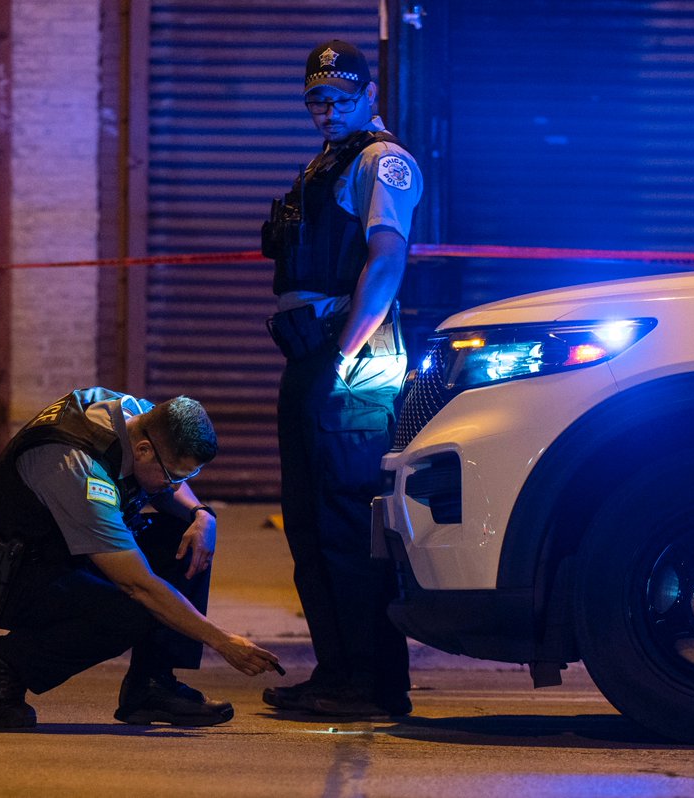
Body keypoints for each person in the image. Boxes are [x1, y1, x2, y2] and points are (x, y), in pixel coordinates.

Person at [0, 387, 281, 728]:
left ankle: (151, 688)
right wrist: (222, 641)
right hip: (10, 579)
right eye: (175, 476)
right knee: (133, 611)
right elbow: (138, 585)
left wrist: (201, 514)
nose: (174, 485)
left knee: (182, 537)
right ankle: (4, 665)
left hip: (61, 552)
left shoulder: (138, 416)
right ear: (144, 450)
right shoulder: (78, 468)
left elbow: (169, 487)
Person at [259, 39, 423, 717]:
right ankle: (337, 673)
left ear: (367, 94)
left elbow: (385, 261)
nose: (327, 109)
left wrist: (348, 351)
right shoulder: (326, 164)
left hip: (348, 360)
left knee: (347, 529)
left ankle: (372, 684)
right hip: (312, 356)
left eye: (339, 97)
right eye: (316, 99)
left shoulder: (383, 162)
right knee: (308, 526)